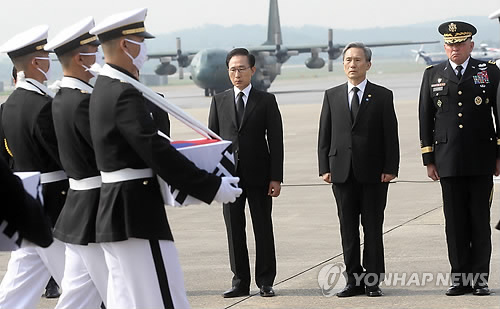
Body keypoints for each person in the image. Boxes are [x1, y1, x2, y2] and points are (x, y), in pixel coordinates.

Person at [88, 8, 242, 308]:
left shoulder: (104, 88)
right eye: (140, 41)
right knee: (164, 299)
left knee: (126, 300)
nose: (144, 48)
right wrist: (211, 186)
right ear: (125, 45)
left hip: (115, 212)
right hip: (136, 214)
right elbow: (156, 151)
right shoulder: (122, 93)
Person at [419, 21, 500, 296]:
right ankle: (459, 277)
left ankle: (479, 279)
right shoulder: (433, 74)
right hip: (448, 159)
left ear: (471, 45)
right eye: (450, 44)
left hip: (481, 157)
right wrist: (429, 158)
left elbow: (499, 116)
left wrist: (499, 155)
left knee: (479, 219)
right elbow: (425, 118)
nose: (455, 48)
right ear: (445, 46)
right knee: (454, 222)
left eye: (460, 43)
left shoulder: (489, 72)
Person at [318, 42, 400, 297]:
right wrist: (324, 167)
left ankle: (373, 280)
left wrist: (390, 167)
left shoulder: (383, 95)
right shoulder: (331, 95)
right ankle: (353, 279)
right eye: (348, 60)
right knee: (348, 228)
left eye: (357, 60)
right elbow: (325, 134)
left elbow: (391, 135)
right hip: (341, 172)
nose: (352, 65)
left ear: (368, 64)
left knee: (373, 227)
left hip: (374, 173)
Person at [0, 25, 68, 308]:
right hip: (54, 204)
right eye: (44, 56)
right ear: (34, 62)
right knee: (82, 282)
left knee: (18, 286)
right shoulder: (42, 105)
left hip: (28, 200)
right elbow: (64, 157)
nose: (49, 62)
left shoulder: (11, 104)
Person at [208, 48, 284, 298]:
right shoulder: (219, 101)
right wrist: (215, 178)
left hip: (260, 175)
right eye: (232, 69)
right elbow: (212, 143)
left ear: (252, 70)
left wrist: (276, 177)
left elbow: (276, 140)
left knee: (262, 228)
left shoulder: (266, 100)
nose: (237, 74)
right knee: (234, 230)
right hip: (229, 177)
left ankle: (265, 280)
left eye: (241, 68)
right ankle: (240, 281)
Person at [45, 17, 109, 308]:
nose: (97, 56)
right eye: (92, 50)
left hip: (76, 209)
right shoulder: (83, 101)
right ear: (80, 57)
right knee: (116, 291)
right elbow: (104, 154)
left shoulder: (60, 98)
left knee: (77, 297)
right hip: (95, 209)